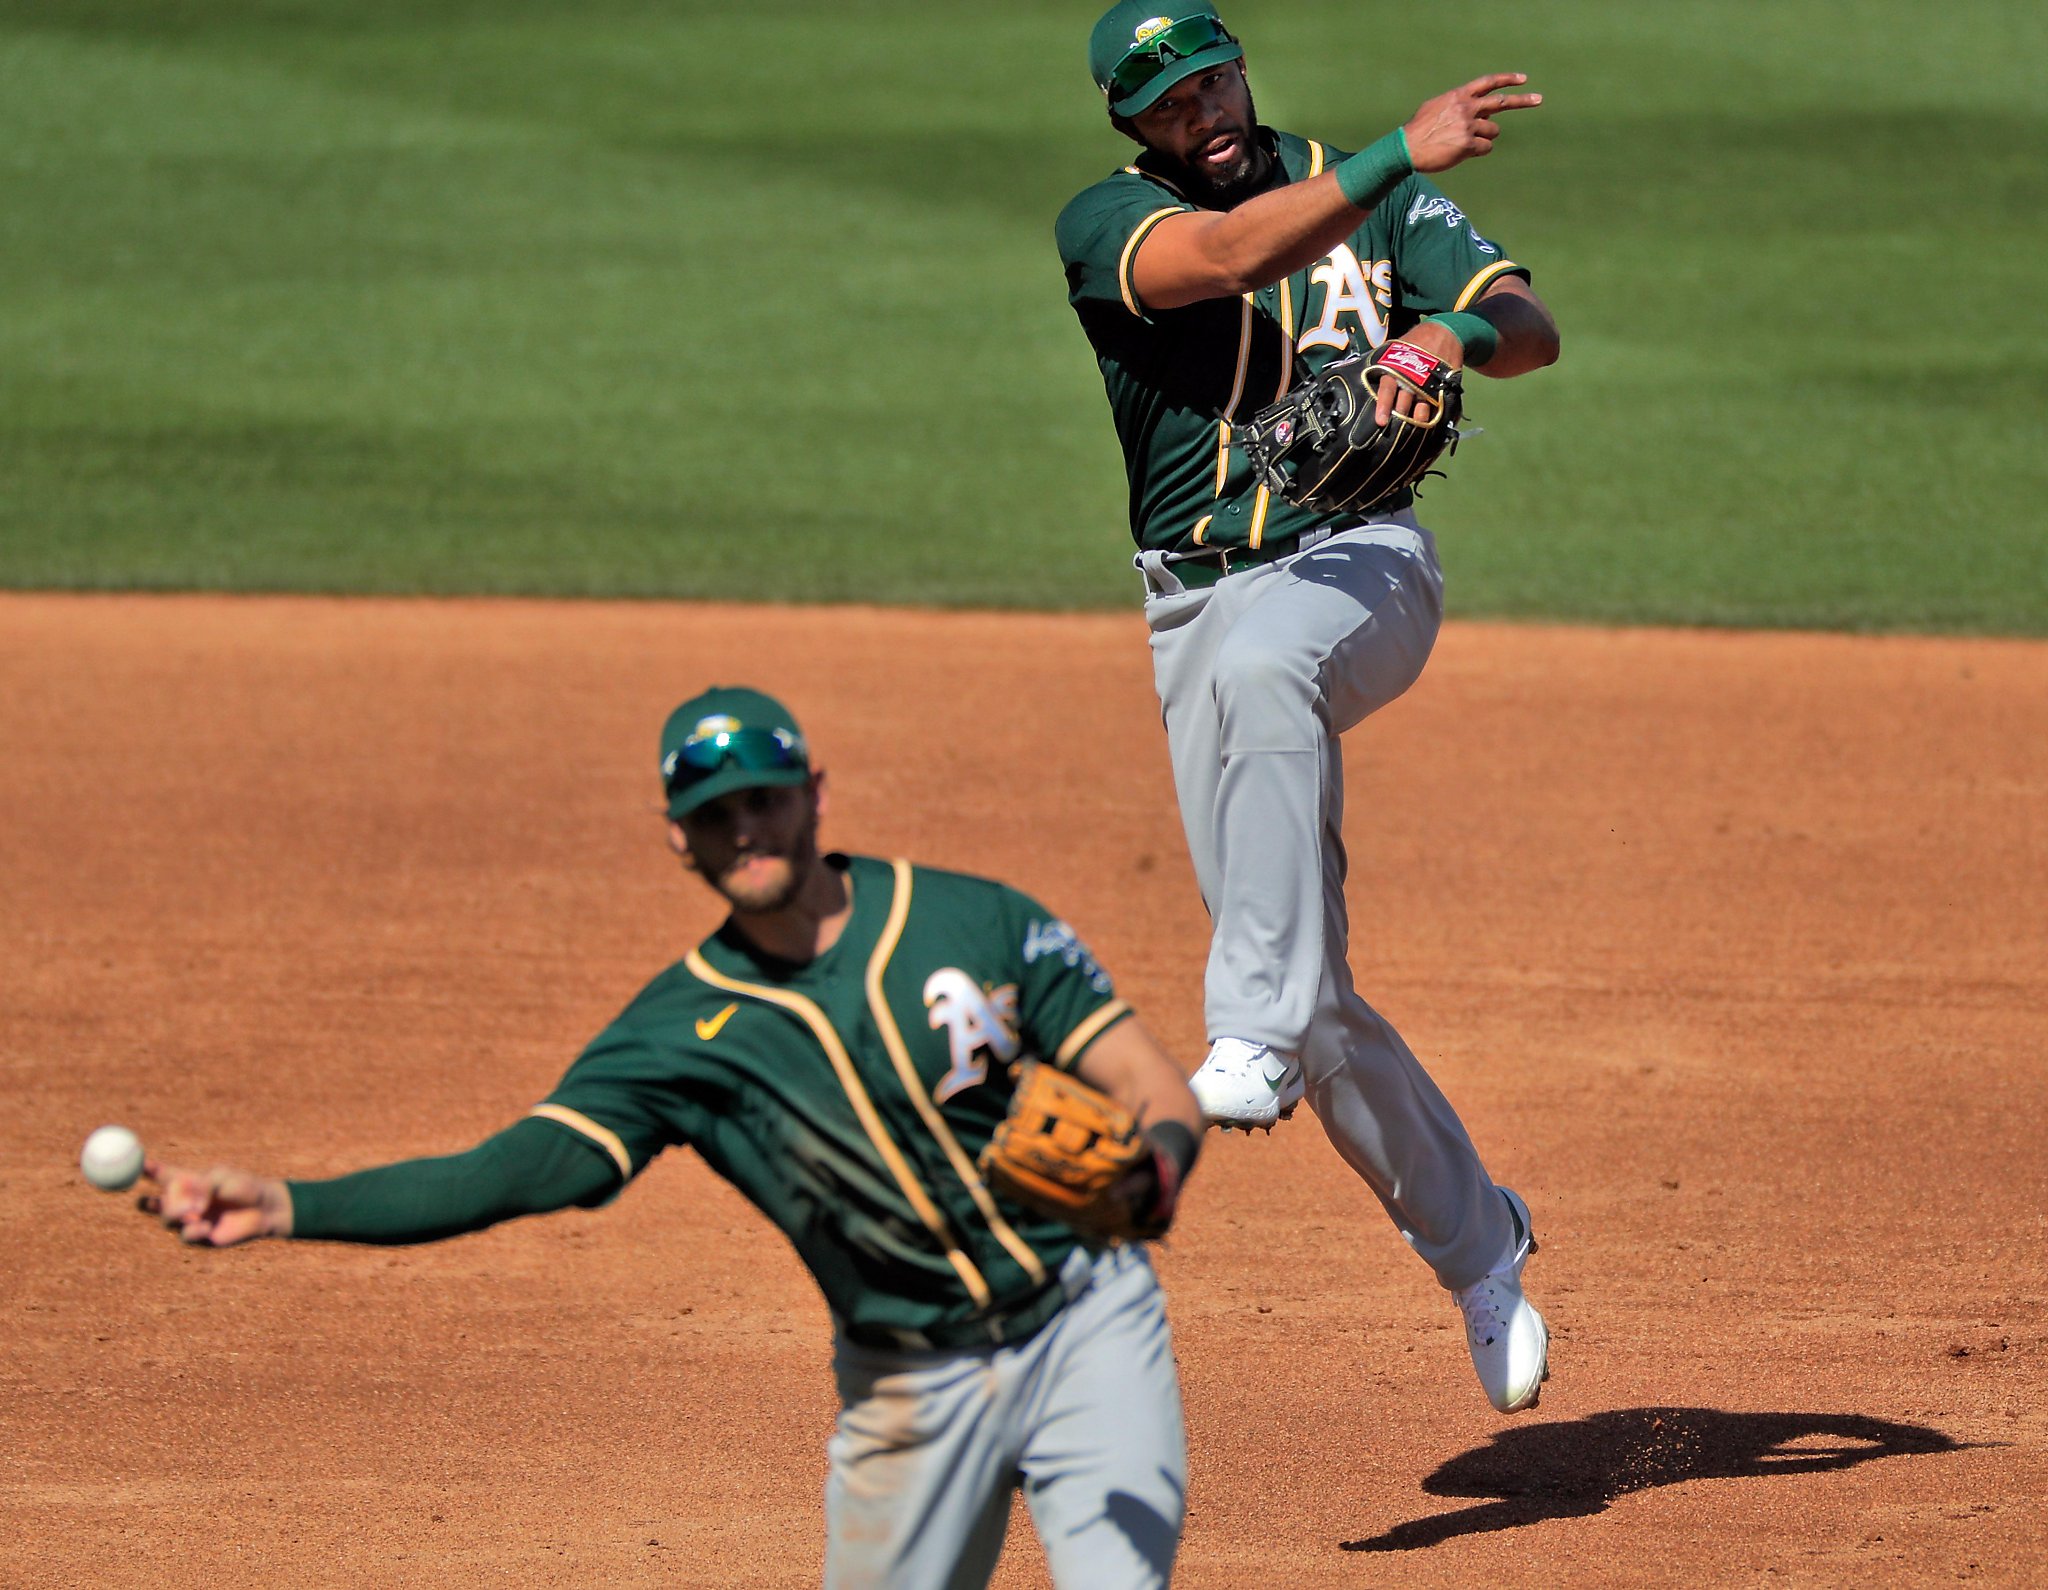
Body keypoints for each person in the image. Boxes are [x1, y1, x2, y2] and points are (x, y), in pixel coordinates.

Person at [140, 685, 1205, 1589]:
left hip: (1082, 1322)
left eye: (763, 799)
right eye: (711, 815)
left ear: (813, 794)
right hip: (907, 1383)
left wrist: (1159, 1161)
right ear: (676, 839)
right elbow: (523, 1167)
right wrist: (289, 1205)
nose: (744, 829)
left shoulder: (968, 919)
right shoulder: (675, 1033)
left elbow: (1147, 1078)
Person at [1055, 1, 1561, 1414]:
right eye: (1166, 104)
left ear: (1240, 73)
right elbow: (1231, 253)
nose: (1200, 114)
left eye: (1212, 83)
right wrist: (1401, 150)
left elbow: (1533, 324)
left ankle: (1248, 1027)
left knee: (1277, 669)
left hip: (1362, 568)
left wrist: (1450, 336)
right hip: (1193, 606)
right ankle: (1483, 1246)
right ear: (1129, 127)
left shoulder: (1381, 193)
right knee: (1321, 1005)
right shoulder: (1109, 222)